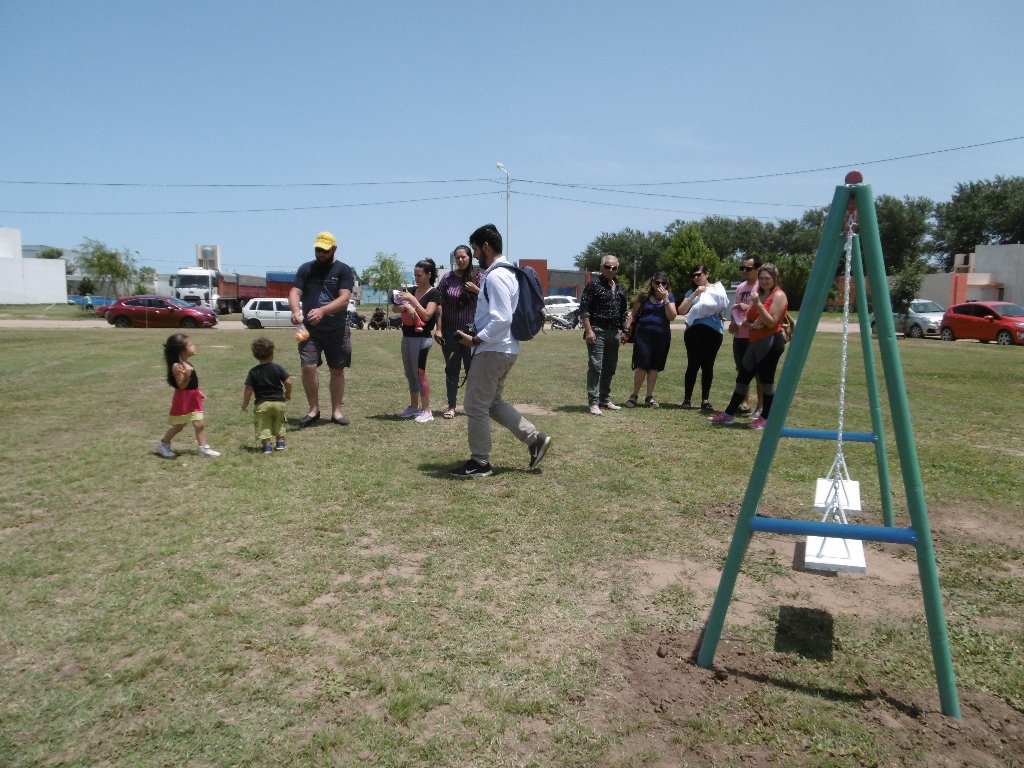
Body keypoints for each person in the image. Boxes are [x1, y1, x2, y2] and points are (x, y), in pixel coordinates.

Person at [450, 224, 551, 478]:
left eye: (474, 249)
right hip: (504, 349)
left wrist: (475, 339)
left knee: (474, 405)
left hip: (492, 349)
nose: (473, 256)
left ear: (486, 247)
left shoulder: (496, 276)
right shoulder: (505, 273)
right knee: (492, 403)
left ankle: (480, 462)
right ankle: (535, 439)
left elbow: (502, 318)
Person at [710, 263, 789, 430]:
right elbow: (751, 318)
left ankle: (766, 418)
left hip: (770, 342)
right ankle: (729, 414)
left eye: (767, 278)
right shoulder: (759, 293)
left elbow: (771, 322)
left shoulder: (778, 295)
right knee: (743, 377)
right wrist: (743, 323)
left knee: (766, 380)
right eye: (761, 278)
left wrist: (759, 305)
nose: (764, 281)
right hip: (755, 342)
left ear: (774, 278)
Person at [289, 231, 355, 427]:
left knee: (337, 370)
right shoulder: (306, 269)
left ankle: (336, 412)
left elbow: (344, 299)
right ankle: (313, 410)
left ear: (334, 249)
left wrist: (323, 311)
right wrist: (295, 310)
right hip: (310, 331)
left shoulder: (343, 270)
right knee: (308, 367)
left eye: (325, 251)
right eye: (318, 250)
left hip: (337, 328)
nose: (321, 254)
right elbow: (295, 291)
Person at [433, 245, 482, 419]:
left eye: (464, 257)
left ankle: (474, 406)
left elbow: (491, 298)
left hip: (472, 333)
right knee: (452, 369)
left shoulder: (479, 277)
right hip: (450, 332)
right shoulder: (447, 278)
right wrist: (438, 329)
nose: (460, 260)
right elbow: (439, 304)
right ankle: (451, 406)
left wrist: (477, 290)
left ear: (470, 257)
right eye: (457, 257)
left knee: (473, 370)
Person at [155, 333, 220, 458]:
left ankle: (203, 448)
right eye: (190, 345)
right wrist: (187, 375)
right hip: (183, 400)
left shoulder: (187, 363)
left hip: (193, 397)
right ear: (181, 350)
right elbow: (182, 386)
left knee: (199, 423)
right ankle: (163, 444)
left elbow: (191, 384)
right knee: (180, 425)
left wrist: (197, 391)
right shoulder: (177, 366)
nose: (194, 346)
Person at [580, 254, 629, 415]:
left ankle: (604, 400)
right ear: (601, 268)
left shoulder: (619, 287)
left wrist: (625, 330)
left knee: (610, 367)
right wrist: (589, 331)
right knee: (596, 366)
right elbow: (585, 310)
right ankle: (593, 402)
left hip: (614, 332)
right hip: (597, 331)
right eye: (607, 267)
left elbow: (623, 311)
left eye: (614, 267)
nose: (610, 269)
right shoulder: (593, 286)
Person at [395, 259, 441, 423]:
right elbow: (395, 307)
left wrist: (412, 302)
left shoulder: (434, 293)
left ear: (429, 275)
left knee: (419, 373)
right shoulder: (411, 290)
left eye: (419, 275)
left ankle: (427, 410)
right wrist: (404, 306)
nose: (416, 278)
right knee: (410, 373)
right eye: (415, 274)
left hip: (421, 339)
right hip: (406, 337)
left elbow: (427, 315)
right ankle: (414, 407)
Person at [677, 264, 727, 412]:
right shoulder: (692, 291)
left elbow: (722, 305)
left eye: (699, 274)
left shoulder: (717, 289)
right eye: (693, 275)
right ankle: (687, 399)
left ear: (707, 274)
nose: (696, 277)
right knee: (693, 365)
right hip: (694, 332)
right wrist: (695, 294)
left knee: (708, 365)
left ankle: (705, 399)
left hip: (714, 332)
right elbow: (681, 310)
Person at [623, 272, 677, 408]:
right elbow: (633, 315)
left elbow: (672, 316)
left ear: (667, 284)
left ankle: (649, 397)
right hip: (643, 337)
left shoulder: (669, 297)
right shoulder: (644, 297)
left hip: (661, 337)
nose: (660, 285)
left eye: (663, 283)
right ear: (652, 283)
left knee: (654, 367)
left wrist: (666, 299)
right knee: (641, 366)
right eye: (657, 282)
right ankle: (634, 396)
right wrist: (625, 331)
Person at [241, 336, 293, 454]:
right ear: (272, 353)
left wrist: (245, 403)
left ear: (256, 355)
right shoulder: (277, 368)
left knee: (264, 425)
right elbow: (288, 381)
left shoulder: (253, 371)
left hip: (262, 404)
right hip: (279, 403)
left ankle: (267, 447)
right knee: (279, 422)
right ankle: (280, 443)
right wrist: (288, 393)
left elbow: (248, 389)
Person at [729, 255, 764, 418]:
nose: (744, 271)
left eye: (748, 269)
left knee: (758, 372)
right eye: (742, 268)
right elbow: (736, 308)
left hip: (755, 335)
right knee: (742, 371)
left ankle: (761, 407)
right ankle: (744, 403)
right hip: (740, 336)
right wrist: (733, 322)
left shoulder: (762, 286)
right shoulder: (741, 287)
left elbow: (766, 308)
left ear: (757, 270)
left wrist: (749, 306)